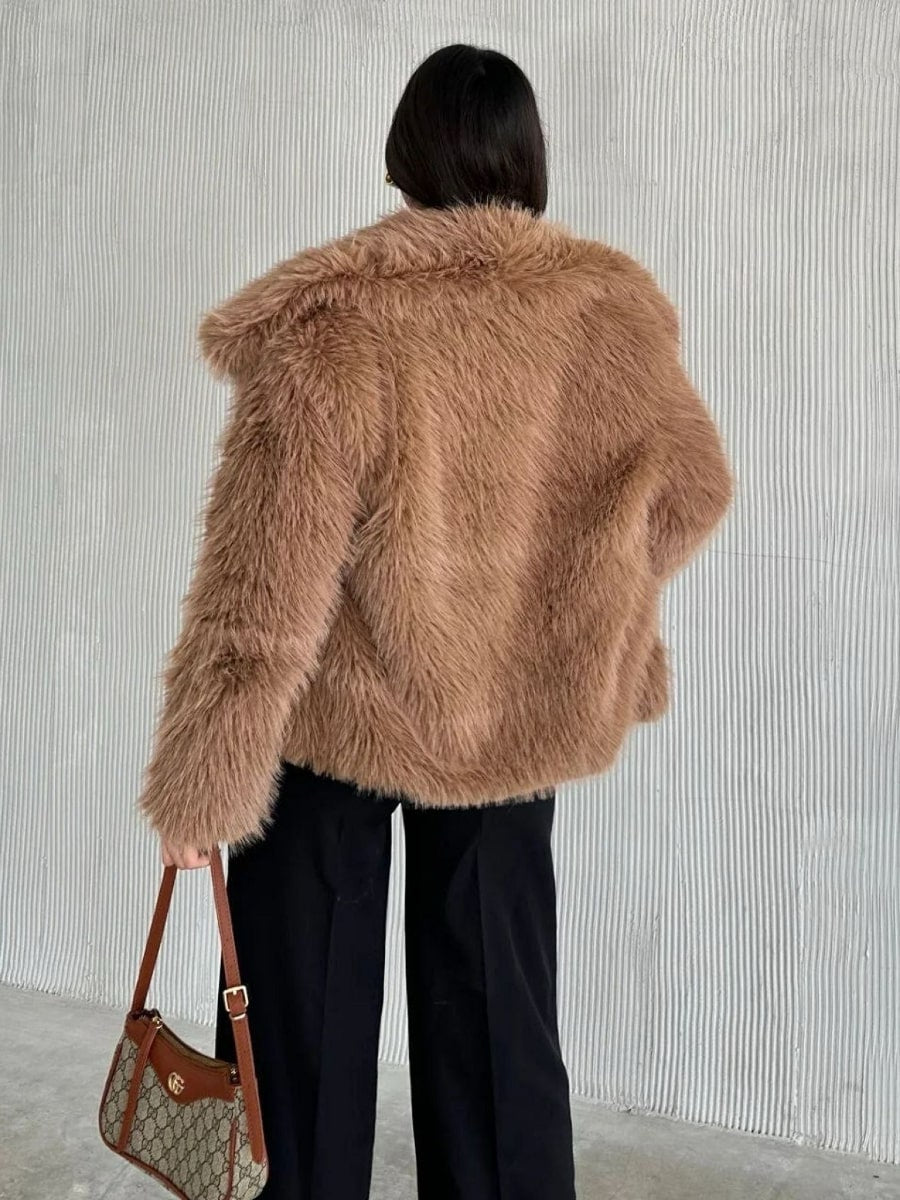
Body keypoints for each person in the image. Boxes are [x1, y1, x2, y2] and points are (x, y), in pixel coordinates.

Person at [135, 42, 733, 1200]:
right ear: (529, 159)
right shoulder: (609, 312)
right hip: (515, 719)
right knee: (501, 1030)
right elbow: (694, 490)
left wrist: (203, 786)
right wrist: (573, 615)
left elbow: (263, 583)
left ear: (404, 155)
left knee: (297, 1037)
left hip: (339, 725)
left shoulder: (338, 318)